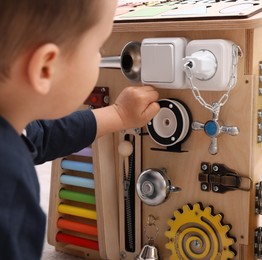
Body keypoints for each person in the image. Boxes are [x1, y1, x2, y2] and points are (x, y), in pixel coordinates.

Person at [0, 1, 160, 259]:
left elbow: (42, 136)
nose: (100, 56)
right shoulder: (9, 184)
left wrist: (118, 115)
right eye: (98, 47)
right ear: (45, 68)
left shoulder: (13, 128)